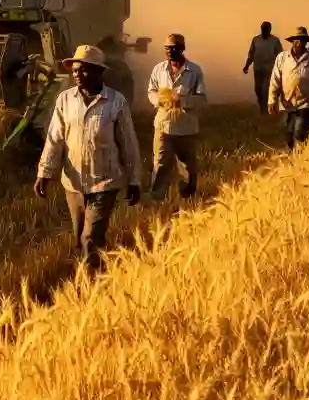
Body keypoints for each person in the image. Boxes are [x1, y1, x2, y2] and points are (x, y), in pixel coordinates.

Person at [34, 44, 142, 268]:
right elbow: (55, 138)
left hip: (105, 182)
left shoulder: (116, 101)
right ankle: (95, 277)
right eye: (74, 71)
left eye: (83, 70)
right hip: (73, 184)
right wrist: (44, 173)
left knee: (89, 239)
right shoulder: (65, 100)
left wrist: (134, 180)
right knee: (79, 240)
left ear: (99, 72)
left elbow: (128, 143)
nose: (77, 75)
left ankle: (92, 286)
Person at [145, 33, 208, 200]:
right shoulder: (159, 69)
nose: (170, 51)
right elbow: (151, 91)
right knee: (160, 163)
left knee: (187, 166)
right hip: (163, 125)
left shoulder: (194, 71)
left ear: (182, 48)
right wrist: (159, 100)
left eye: (174, 48)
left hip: (185, 127)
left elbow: (202, 98)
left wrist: (181, 101)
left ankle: (187, 197)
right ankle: (156, 198)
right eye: (167, 48)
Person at [268, 26, 309, 150]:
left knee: (299, 132)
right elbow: (275, 79)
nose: (300, 42)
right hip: (287, 104)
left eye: (303, 40)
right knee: (289, 134)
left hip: (306, 103)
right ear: (292, 41)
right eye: (297, 39)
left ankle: (301, 160)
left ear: (306, 42)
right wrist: (272, 100)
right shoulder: (282, 58)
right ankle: (294, 159)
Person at [243, 21, 284, 115]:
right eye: (263, 28)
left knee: (266, 89)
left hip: (270, 69)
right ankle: (262, 106)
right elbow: (251, 54)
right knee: (258, 89)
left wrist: (282, 68)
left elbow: (280, 55)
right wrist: (246, 66)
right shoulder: (256, 40)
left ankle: (266, 110)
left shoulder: (275, 40)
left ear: (270, 30)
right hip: (258, 69)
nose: (264, 30)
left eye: (266, 29)